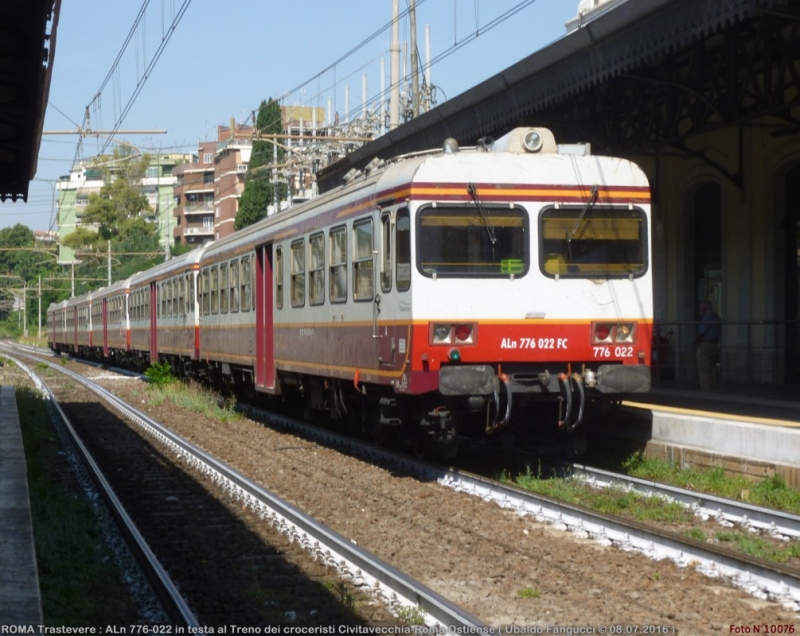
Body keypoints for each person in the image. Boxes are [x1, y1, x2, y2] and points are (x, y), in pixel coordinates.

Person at [696, 299, 721, 392]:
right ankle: (713, 391)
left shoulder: (708, 316)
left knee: (704, 371)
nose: (699, 310)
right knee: (712, 370)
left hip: (705, 345)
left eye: (700, 308)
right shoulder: (716, 316)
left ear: (705, 308)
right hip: (714, 345)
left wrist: (696, 341)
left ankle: (706, 392)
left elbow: (702, 332)